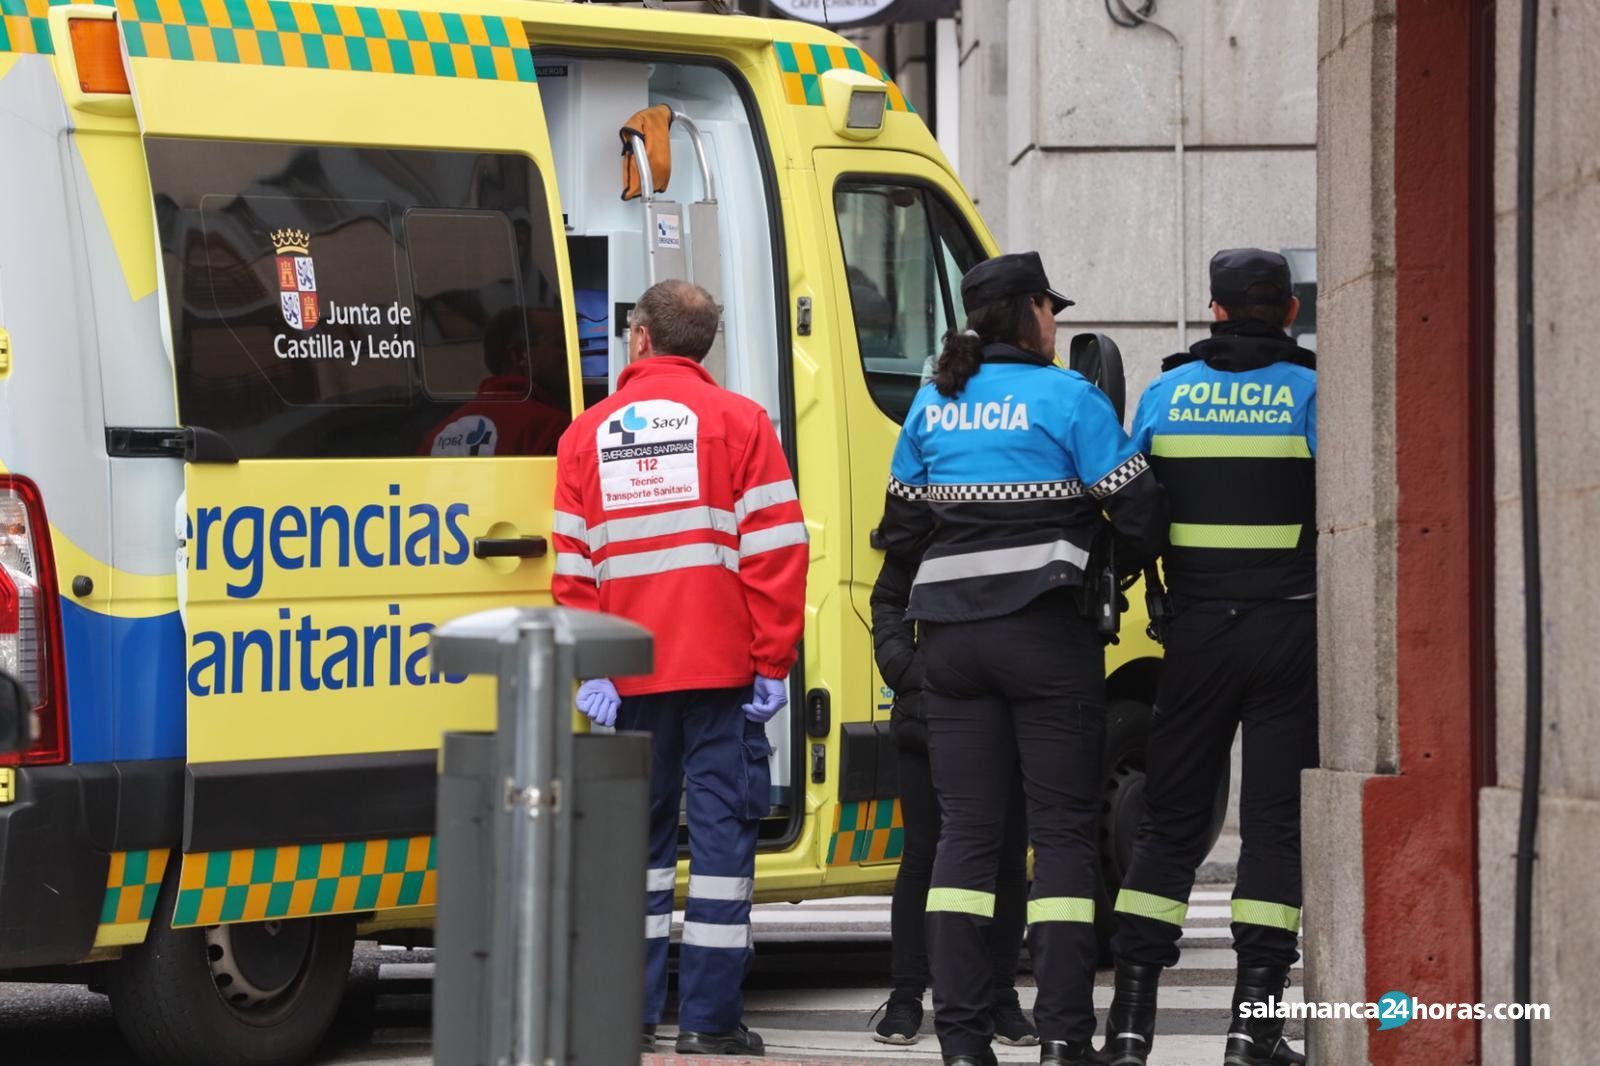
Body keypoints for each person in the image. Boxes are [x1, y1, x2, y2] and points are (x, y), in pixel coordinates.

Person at [878, 252, 1166, 1066]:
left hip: (954, 648)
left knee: (965, 839)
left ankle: (964, 1044)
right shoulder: (1068, 398)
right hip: (1047, 640)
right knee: (1065, 838)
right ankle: (1065, 1040)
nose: (1057, 323)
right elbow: (1139, 507)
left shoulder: (933, 402)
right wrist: (1112, 560)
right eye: (1051, 308)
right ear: (1030, 312)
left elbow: (901, 533)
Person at [550, 280, 808, 1058]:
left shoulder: (584, 436)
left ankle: (626, 1015)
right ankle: (708, 1021)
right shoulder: (741, 423)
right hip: (724, 672)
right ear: (703, 347)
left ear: (639, 340)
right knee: (724, 846)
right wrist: (774, 661)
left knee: (635, 846)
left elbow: (572, 565)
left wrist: (588, 665)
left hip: (626, 679)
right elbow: (775, 554)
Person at [1106, 249, 1316, 1066]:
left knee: (1167, 822)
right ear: (1289, 311)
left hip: (1195, 633)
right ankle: (1252, 1031)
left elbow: (1133, 509)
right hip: (1291, 633)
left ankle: (1129, 1031)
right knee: (1274, 827)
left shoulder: (1166, 392)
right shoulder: (1311, 390)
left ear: (1216, 311)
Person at [868, 551, 1036, 1049]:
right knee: (923, 855)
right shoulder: (929, 507)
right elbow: (888, 598)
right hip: (931, 710)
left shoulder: (1026, 503)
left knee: (1008, 857)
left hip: (1011, 709)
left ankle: (1001, 996)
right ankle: (906, 998)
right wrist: (906, 667)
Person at [422, 306, 571, 456]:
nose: (571, 355)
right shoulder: (555, 429)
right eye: (561, 343)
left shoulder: (435, 437)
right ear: (519, 355)